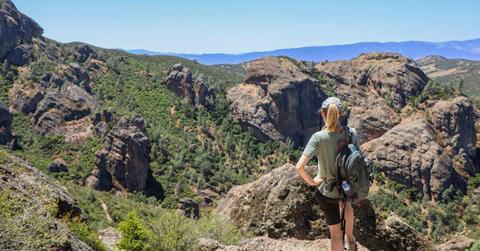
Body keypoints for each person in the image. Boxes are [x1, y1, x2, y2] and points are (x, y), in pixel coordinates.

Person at [296, 97, 359, 251]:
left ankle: (344, 242)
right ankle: (351, 242)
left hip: (327, 191)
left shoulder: (318, 137)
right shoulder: (351, 133)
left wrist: (312, 182)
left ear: (323, 114)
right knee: (347, 205)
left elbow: (299, 167)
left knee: (336, 235)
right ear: (340, 114)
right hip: (346, 186)